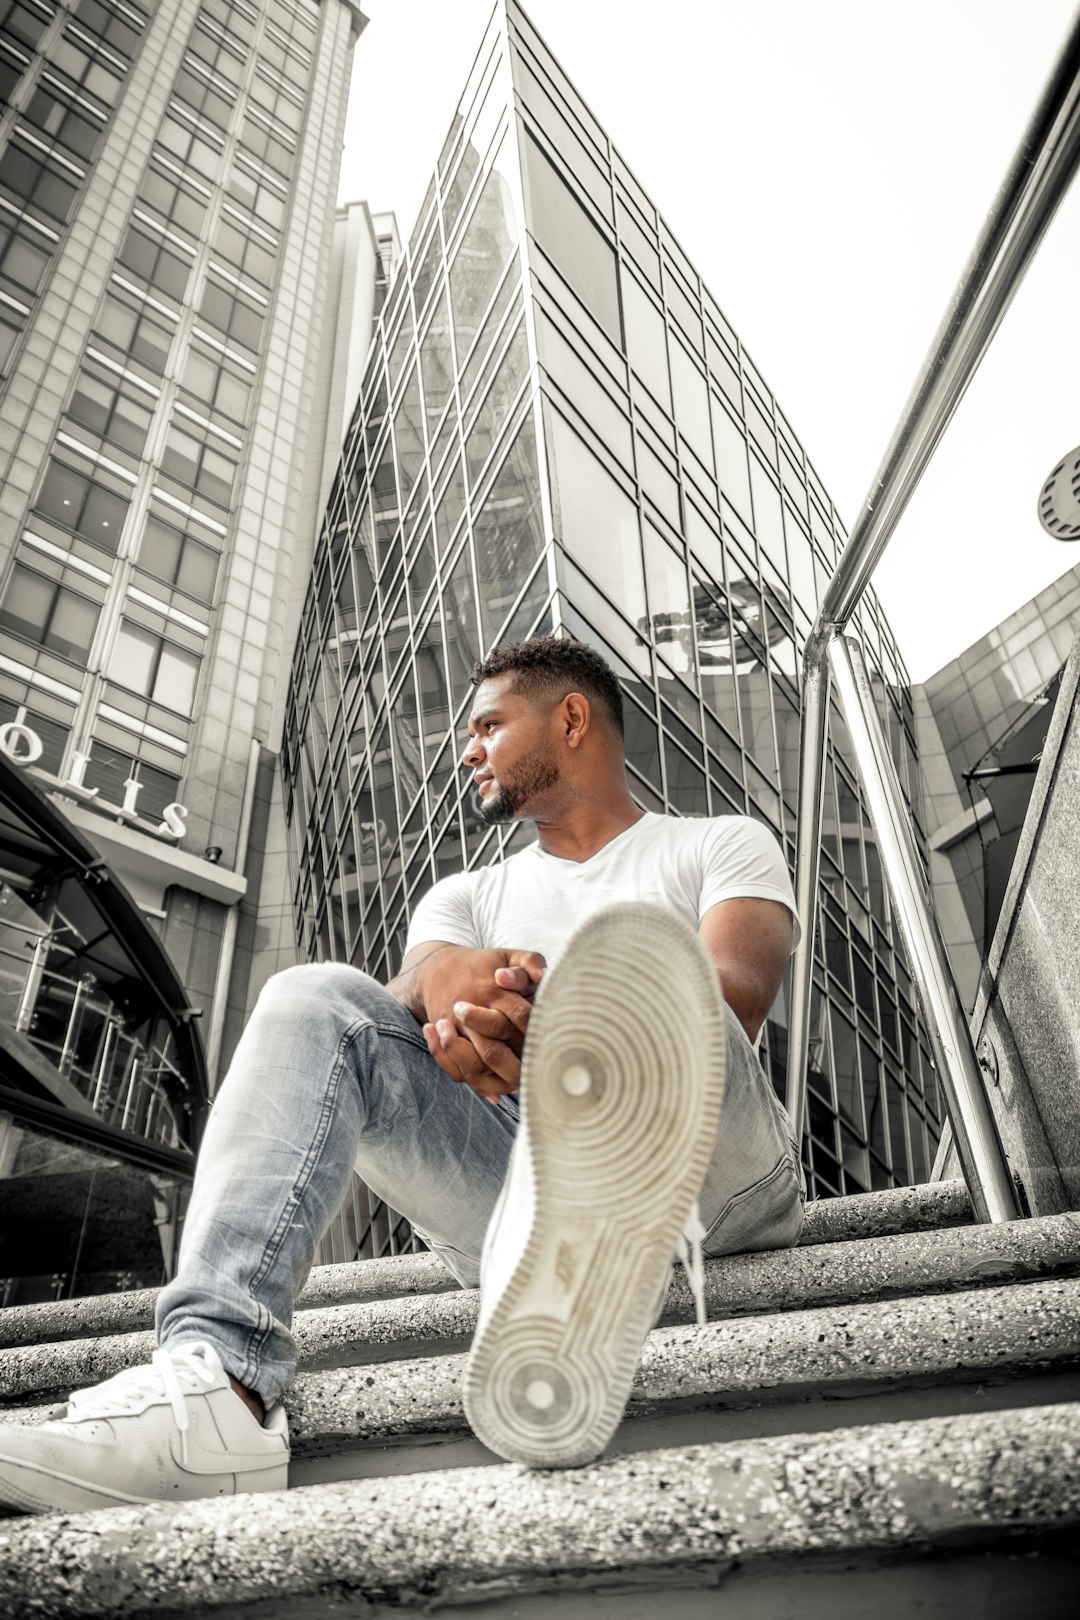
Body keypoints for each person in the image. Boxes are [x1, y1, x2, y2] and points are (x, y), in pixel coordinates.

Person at [0, 636, 804, 1512]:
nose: (468, 750)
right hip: (503, 1190)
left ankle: (579, 1216)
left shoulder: (719, 844)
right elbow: (396, 1006)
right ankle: (215, 1389)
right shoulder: (466, 896)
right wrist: (453, 1009)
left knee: (652, 966)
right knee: (313, 998)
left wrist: (545, 1013)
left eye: (489, 726)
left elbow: (734, 997)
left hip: (706, 1180)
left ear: (572, 717)